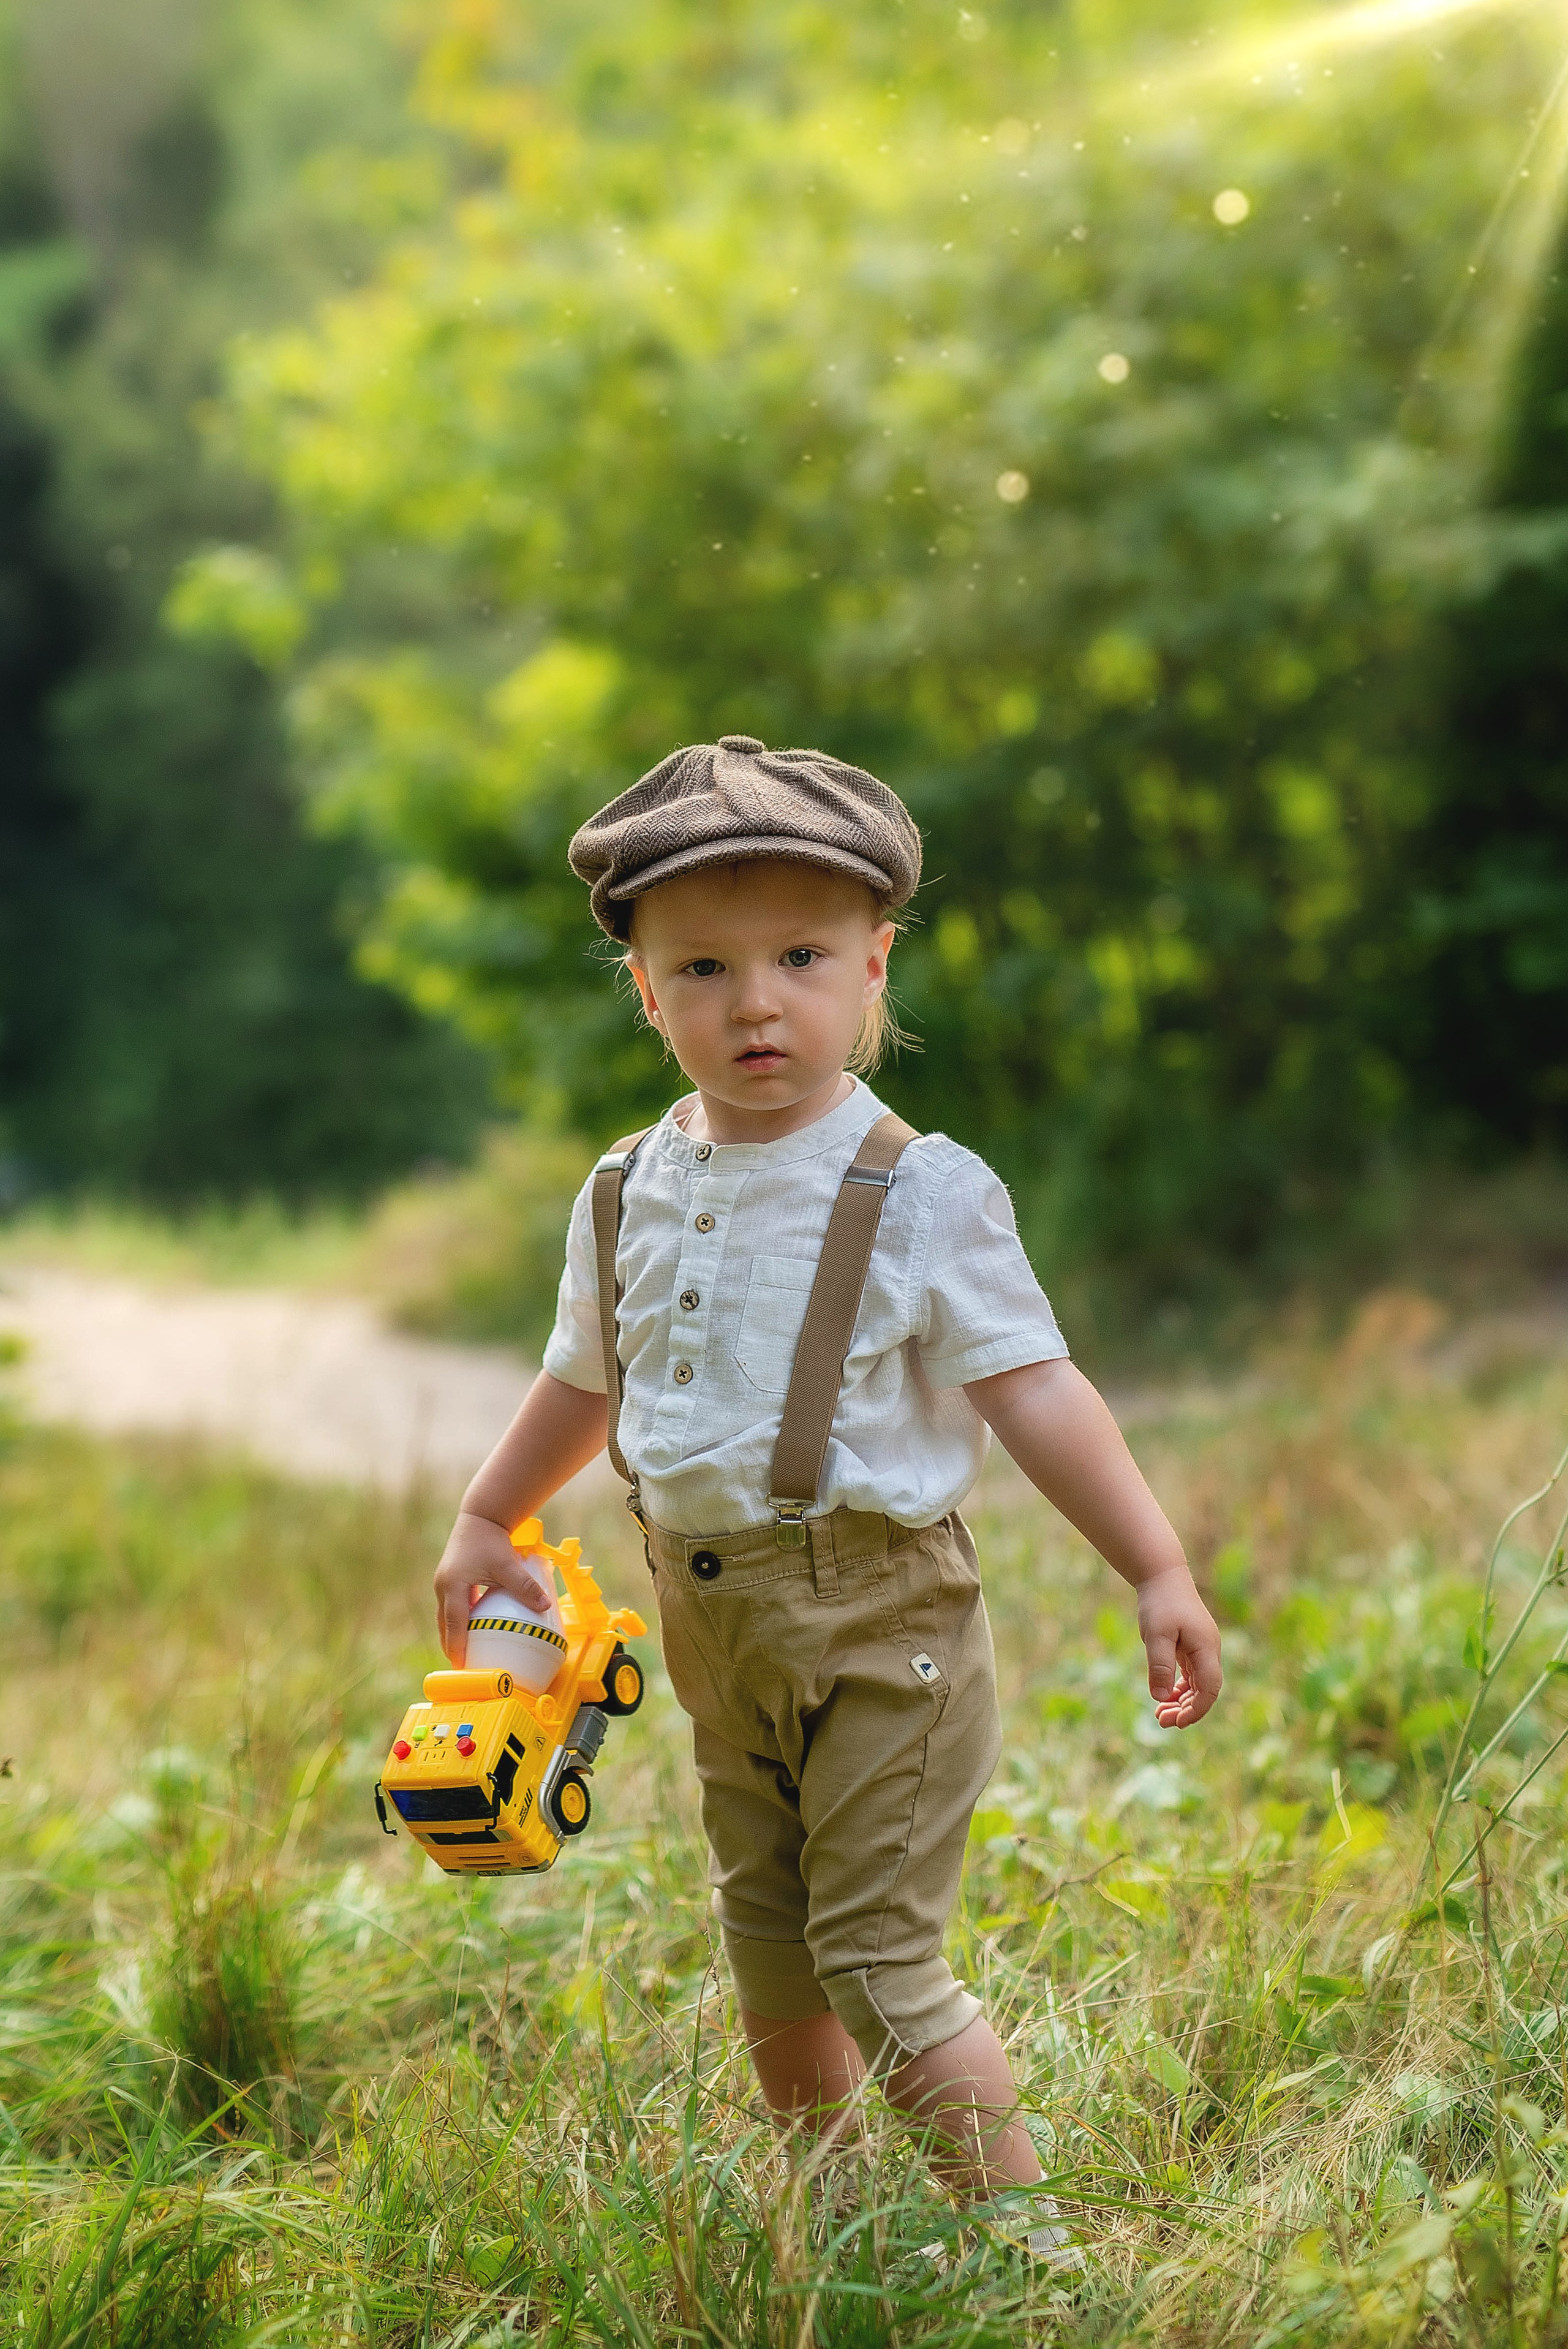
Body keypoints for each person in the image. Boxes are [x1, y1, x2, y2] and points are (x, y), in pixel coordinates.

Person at [432, 733, 1221, 2218]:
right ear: (647, 990)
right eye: (705, 968)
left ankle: (1015, 2242)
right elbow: (580, 1377)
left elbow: (1034, 1386)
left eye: (799, 954)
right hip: (710, 1625)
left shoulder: (918, 1189)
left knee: (869, 1950)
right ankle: (840, 2212)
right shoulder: (625, 1186)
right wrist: (490, 1510)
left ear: (873, 967)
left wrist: (1153, 1564)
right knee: (769, 1943)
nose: (756, 1002)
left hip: (880, 1626)